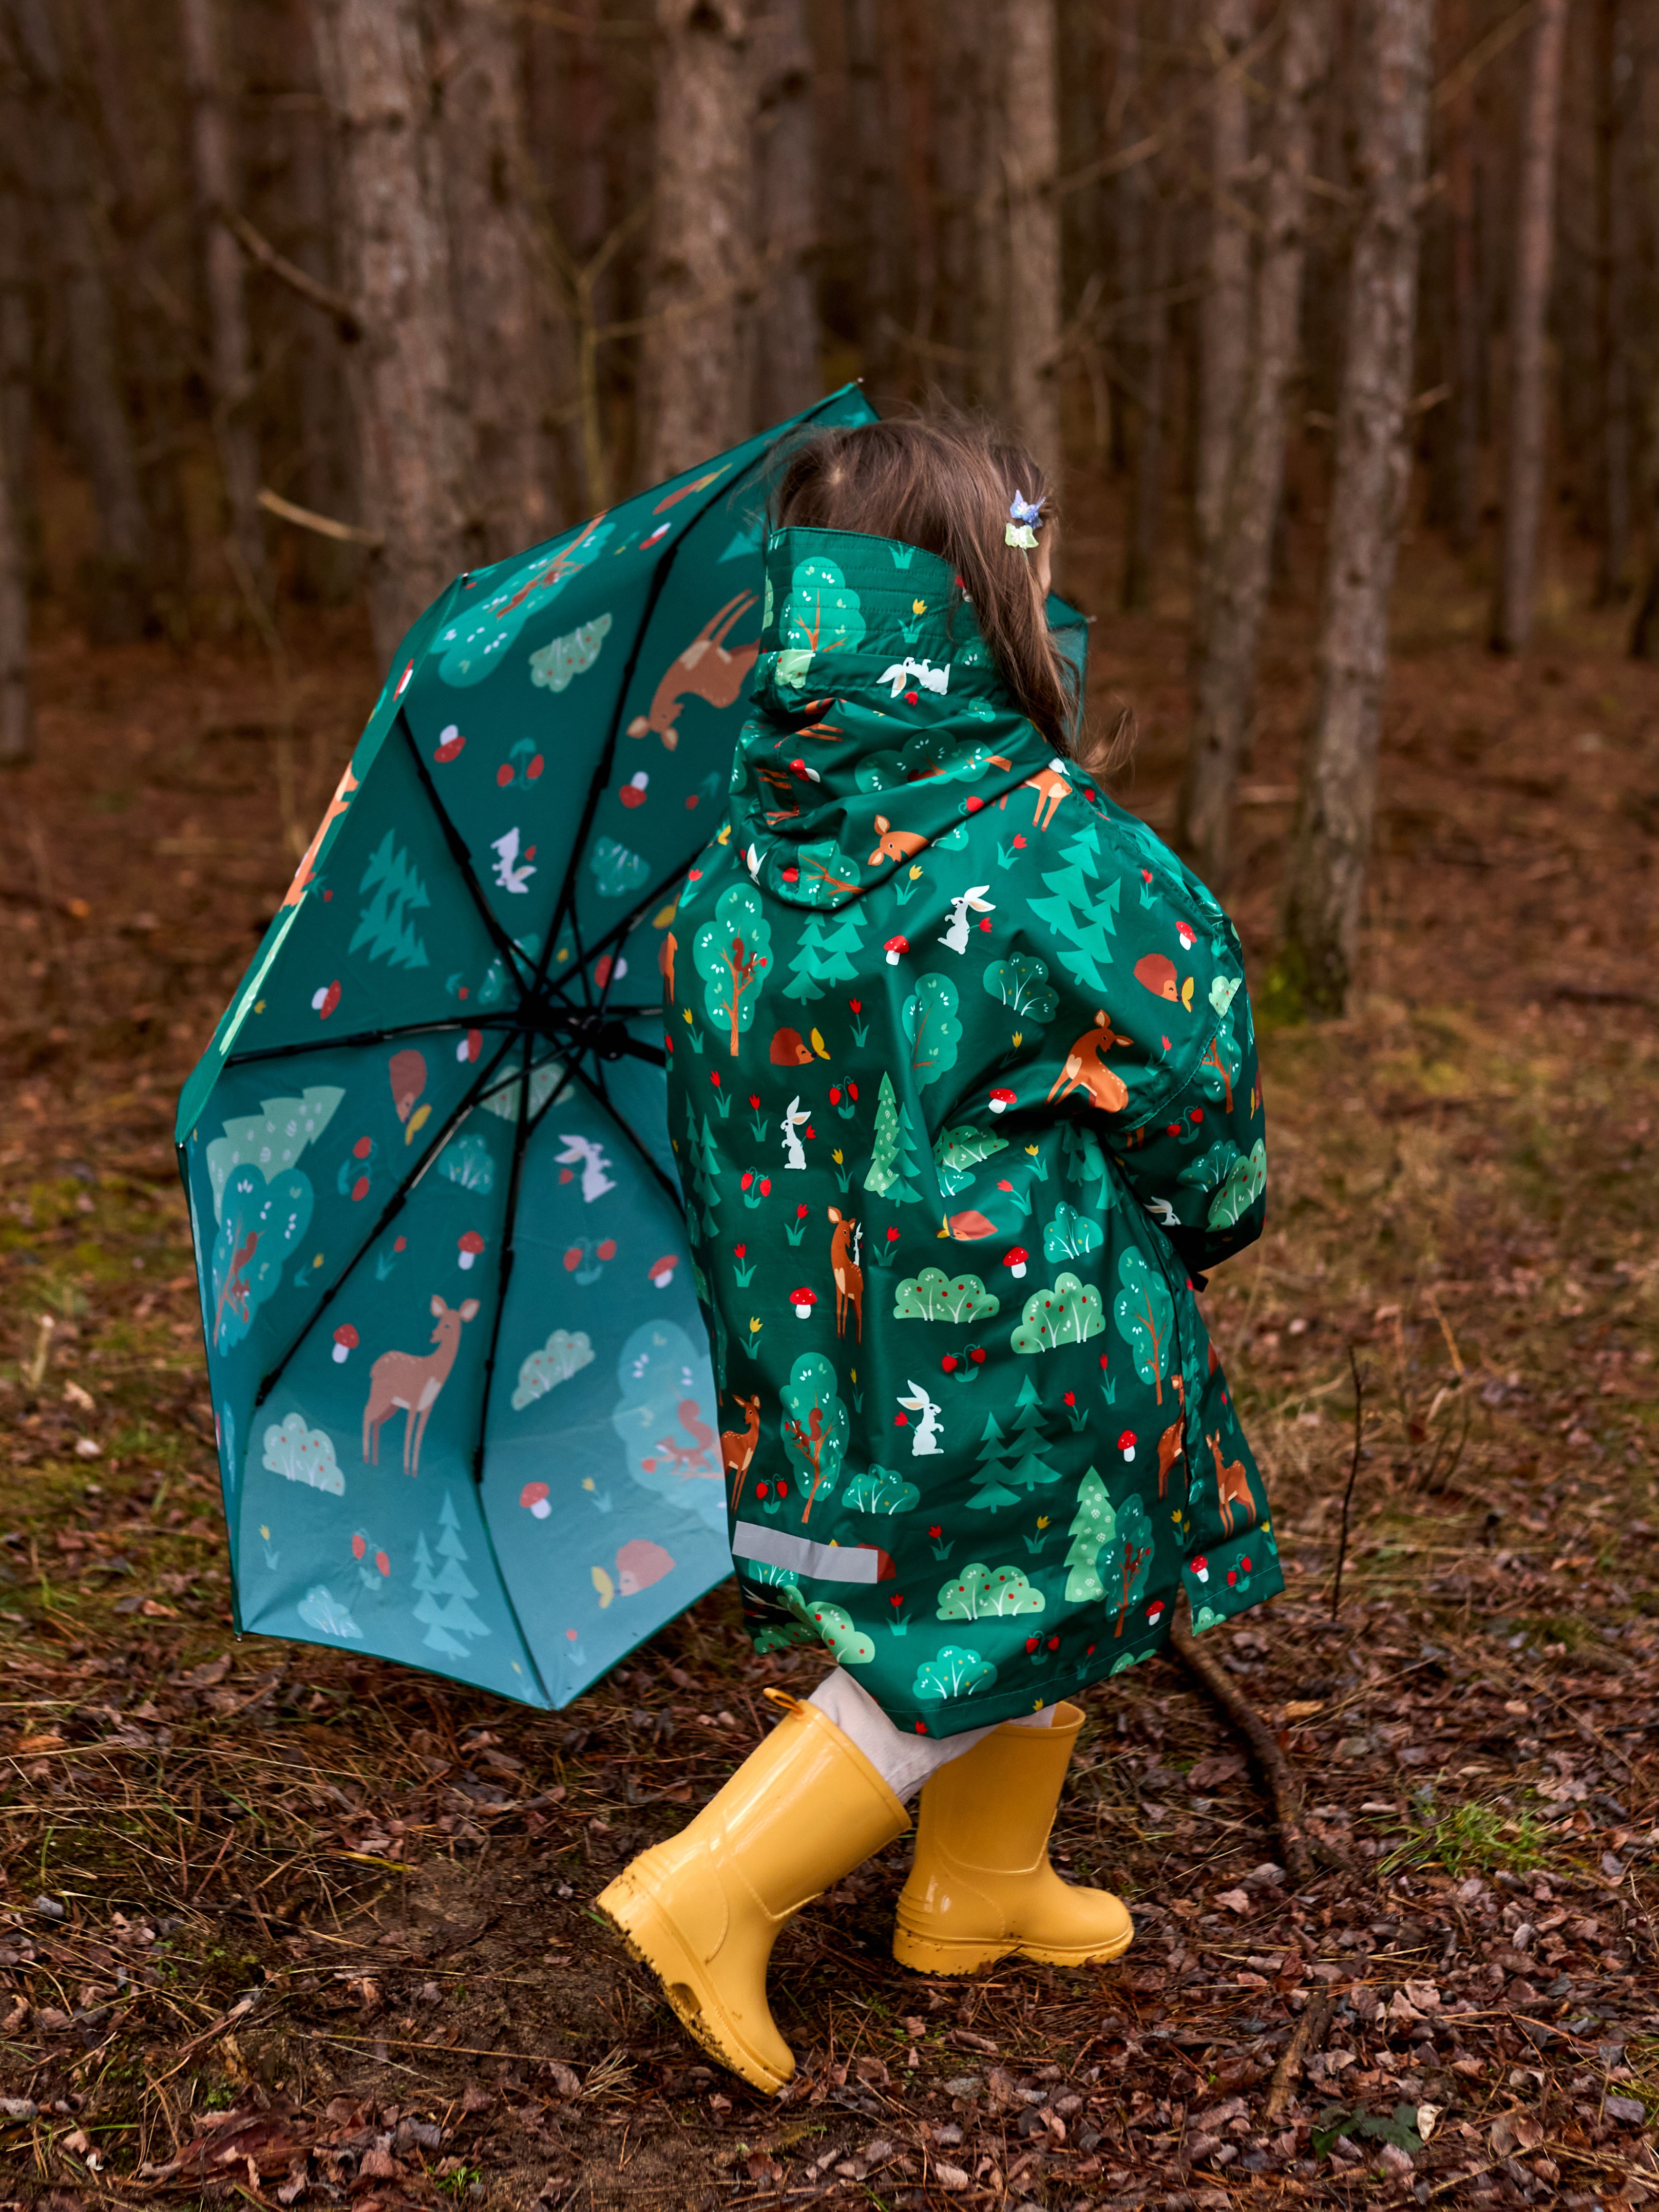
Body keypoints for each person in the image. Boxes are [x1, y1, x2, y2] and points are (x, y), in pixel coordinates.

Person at [598, 415, 1275, 2093]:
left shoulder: (736, 855)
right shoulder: (1042, 841)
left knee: (991, 1579)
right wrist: (1198, 1211)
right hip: (1017, 1337)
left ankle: (978, 1884)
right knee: (988, 1601)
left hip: (810, 1350)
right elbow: (1192, 1061)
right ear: (979, 606)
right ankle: (713, 1884)